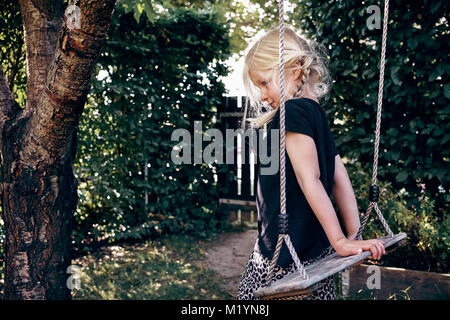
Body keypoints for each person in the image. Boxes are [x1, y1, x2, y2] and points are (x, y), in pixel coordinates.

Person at [237, 26, 386, 300]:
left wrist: (342, 241)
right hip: (314, 258)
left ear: (294, 70)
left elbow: (310, 179)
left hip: (281, 263)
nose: (261, 94)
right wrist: (353, 234)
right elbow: (340, 176)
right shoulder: (315, 113)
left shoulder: (291, 113)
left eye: (264, 82)